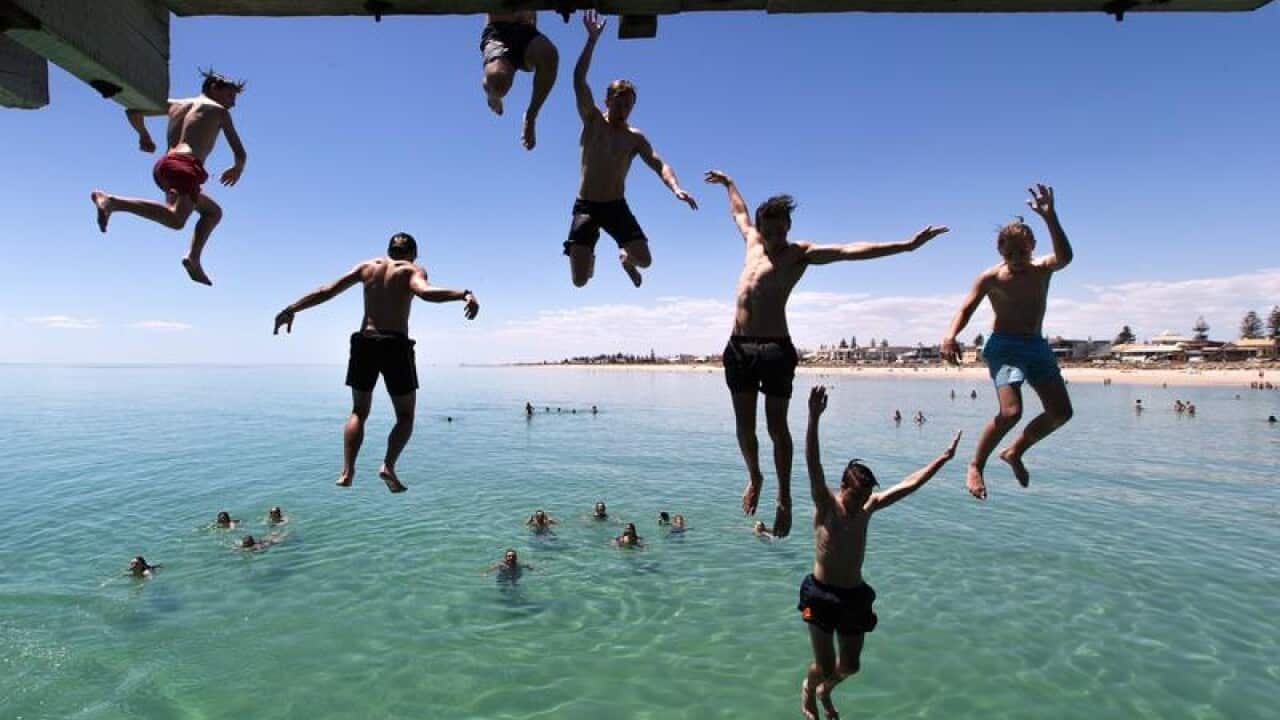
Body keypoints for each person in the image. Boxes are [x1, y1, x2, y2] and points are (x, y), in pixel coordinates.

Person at [704, 169, 947, 537]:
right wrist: (728, 184)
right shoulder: (752, 241)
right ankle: (755, 476)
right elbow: (738, 211)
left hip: (774, 348)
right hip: (738, 347)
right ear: (761, 227)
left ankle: (784, 498)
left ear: (788, 226)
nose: (774, 238)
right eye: (768, 231)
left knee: (775, 427)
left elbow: (851, 251)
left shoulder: (801, 254)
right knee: (744, 426)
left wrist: (906, 245)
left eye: (781, 230)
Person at [800, 386, 960, 720]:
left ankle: (824, 690)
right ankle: (808, 690)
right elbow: (813, 463)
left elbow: (908, 485)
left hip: (854, 594)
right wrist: (813, 418)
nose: (861, 502)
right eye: (857, 496)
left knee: (851, 666)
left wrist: (942, 460)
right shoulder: (826, 504)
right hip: (820, 592)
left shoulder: (868, 507)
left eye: (866, 496)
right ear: (843, 487)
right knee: (826, 663)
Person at [274, 232, 479, 493]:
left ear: (388, 250)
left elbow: (327, 290)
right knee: (405, 416)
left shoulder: (367, 267)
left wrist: (292, 308)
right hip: (395, 345)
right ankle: (388, 466)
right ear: (413, 253)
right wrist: (464, 294)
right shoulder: (411, 270)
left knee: (359, 411)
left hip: (365, 343)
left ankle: (347, 471)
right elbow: (425, 292)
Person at [940, 184, 1074, 501]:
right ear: (1000, 251)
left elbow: (1065, 257)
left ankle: (1015, 451)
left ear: (1033, 247)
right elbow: (965, 309)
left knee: (1061, 413)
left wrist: (1051, 216)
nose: (1016, 259)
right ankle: (975, 464)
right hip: (1004, 347)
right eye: (1009, 253)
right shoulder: (991, 278)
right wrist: (950, 335)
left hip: (1037, 346)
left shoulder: (1042, 269)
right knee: (1012, 412)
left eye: (1023, 252)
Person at [564, 10, 698, 289]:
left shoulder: (634, 137)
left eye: (629, 105)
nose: (624, 110)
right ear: (608, 100)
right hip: (587, 205)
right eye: (620, 103)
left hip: (615, 206)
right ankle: (589, 260)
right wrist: (591, 41)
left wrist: (675, 188)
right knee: (579, 281)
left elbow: (658, 163)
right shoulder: (592, 120)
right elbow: (578, 80)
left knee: (645, 260)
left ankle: (625, 258)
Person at [91, 69, 247, 286]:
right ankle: (112, 202)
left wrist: (144, 135)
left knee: (212, 212)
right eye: (230, 96)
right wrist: (237, 168)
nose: (233, 103)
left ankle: (193, 258)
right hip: (185, 166)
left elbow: (133, 111)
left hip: (164, 166)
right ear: (214, 88)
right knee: (176, 219)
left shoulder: (174, 104)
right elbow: (240, 152)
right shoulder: (219, 111)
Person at [480, 10, 560, 150]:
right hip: (498, 31)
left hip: (525, 31)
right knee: (498, 81)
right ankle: (493, 96)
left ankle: (531, 116)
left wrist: (533, 24)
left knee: (549, 54)